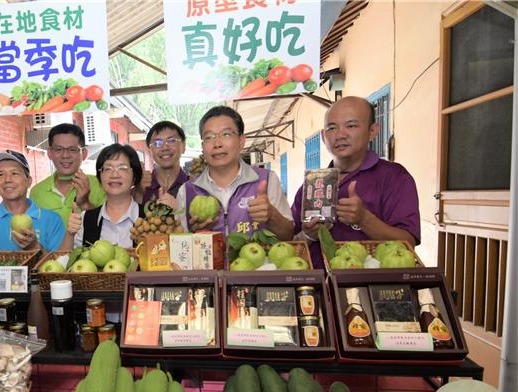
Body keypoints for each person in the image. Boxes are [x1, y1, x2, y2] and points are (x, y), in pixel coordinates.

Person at [291, 96, 420, 268]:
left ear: (373, 131)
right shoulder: (314, 185)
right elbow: (290, 243)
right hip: (317, 287)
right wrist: (308, 235)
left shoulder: (394, 177)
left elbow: (407, 244)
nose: (340, 135)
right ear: (323, 136)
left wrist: (364, 219)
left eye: (351, 126)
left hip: (370, 287)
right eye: (331, 128)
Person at [176, 106, 293, 241]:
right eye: (209, 137)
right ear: (203, 147)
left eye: (226, 134)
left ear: (241, 141)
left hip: (258, 262)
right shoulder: (187, 191)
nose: (217, 143)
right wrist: (194, 234)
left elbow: (289, 236)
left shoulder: (266, 180)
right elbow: (180, 246)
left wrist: (272, 215)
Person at [0, 150, 65, 252]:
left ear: (28, 181)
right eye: (1, 174)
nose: (7, 180)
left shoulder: (52, 220)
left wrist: (34, 247)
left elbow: (60, 264)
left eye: (14, 173)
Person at [62, 143, 142, 250]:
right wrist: (70, 234)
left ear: (135, 177)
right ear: (100, 177)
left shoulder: (150, 219)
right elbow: (65, 262)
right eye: (108, 168)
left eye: (122, 168)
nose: (114, 175)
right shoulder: (85, 219)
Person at [29, 123, 106, 226]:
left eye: (73, 149)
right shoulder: (36, 192)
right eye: (59, 149)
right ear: (50, 153)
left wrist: (85, 203)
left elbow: (108, 229)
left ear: (84, 154)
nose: (65, 155)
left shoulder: (101, 185)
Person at [135, 120, 191, 208]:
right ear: (150, 151)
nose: (164, 147)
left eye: (171, 140)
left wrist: (179, 210)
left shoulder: (194, 187)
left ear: (183, 146)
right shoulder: (142, 187)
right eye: (157, 143)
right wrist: (138, 192)